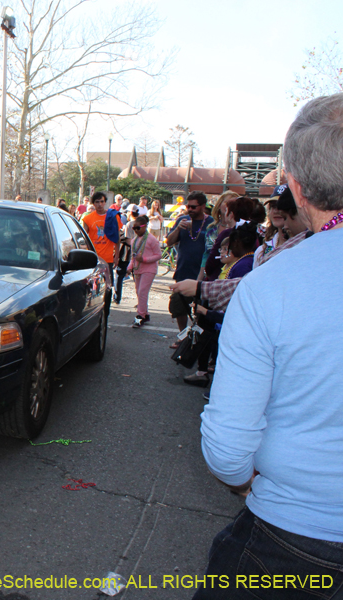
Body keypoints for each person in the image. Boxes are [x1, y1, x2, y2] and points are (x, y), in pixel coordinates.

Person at [195, 94, 343, 599]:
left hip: (295, 541)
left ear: (297, 189)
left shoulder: (273, 286)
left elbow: (228, 448)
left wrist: (245, 482)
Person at [165, 192, 213, 346]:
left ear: (203, 206)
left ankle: (198, 339)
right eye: (188, 206)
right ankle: (183, 337)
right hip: (183, 271)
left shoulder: (211, 223)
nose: (190, 209)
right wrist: (178, 228)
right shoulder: (182, 220)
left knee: (200, 309)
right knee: (179, 307)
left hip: (202, 274)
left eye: (193, 206)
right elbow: (169, 242)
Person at [80, 191, 122, 285]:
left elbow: (117, 238)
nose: (100, 204)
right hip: (93, 257)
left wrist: (117, 256)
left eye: (102, 201)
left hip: (108, 258)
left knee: (108, 285)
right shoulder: (87, 219)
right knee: (92, 285)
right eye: (97, 202)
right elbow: (83, 239)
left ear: (105, 202)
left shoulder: (113, 217)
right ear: (93, 203)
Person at [129, 215, 160, 327]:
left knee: (142, 291)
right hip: (138, 269)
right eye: (134, 228)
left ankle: (140, 315)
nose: (136, 231)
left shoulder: (152, 239)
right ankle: (145, 314)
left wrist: (145, 259)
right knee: (139, 292)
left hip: (149, 269)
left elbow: (158, 255)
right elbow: (133, 256)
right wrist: (130, 267)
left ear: (145, 226)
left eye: (138, 228)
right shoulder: (134, 240)